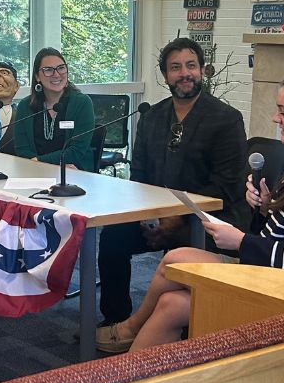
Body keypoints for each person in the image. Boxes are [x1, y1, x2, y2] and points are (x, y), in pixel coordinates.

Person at [96, 68, 284, 353]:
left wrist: (241, 242)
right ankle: (137, 366)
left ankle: (130, 341)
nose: (275, 119)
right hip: (280, 278)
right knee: (174, 282)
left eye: (283, 112)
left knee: (175, 270)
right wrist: (268, 208)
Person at [97, 37, 247, 326]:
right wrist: (147, 219)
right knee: (113, 237)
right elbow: (139, 176)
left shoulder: (226, 119)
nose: (184, 73)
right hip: (158, 215)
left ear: (203, 70)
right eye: (175, 67)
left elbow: (226, 184)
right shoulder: (152, 117)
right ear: (165, 75)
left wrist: (177, 219)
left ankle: (182, 325)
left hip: (211, 220)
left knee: (184, 250)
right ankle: (115, 320)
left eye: (191, 65)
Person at [13, 48, 96, 172]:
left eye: (61, 68)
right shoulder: (25, 106)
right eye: (48, 70)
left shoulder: (82, 103)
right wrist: (44, 166)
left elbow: (77, 150)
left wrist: (39, 162)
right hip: (35, 173)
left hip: (75, 172)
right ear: (37, 76)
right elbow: (22, 150)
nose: (56, 74)